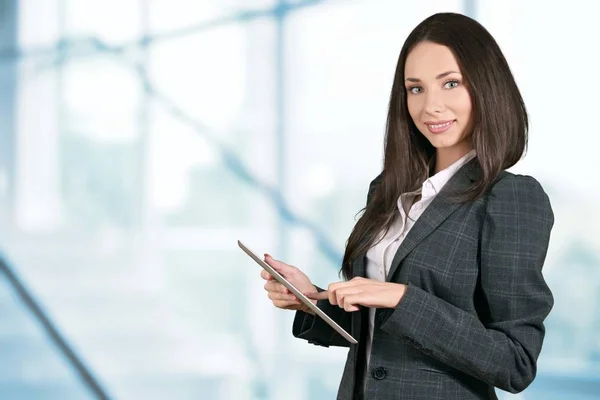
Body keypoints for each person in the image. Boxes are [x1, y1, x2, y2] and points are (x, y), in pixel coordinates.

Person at [260, 12, 554, 400]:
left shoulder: (509, 198)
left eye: (450, 84)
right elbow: (381, 334)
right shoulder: (388, 191)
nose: (431, 106)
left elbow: (514, 362)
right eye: (415, 89)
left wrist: (403, 298)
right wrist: (311, 301)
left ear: (486, 88)